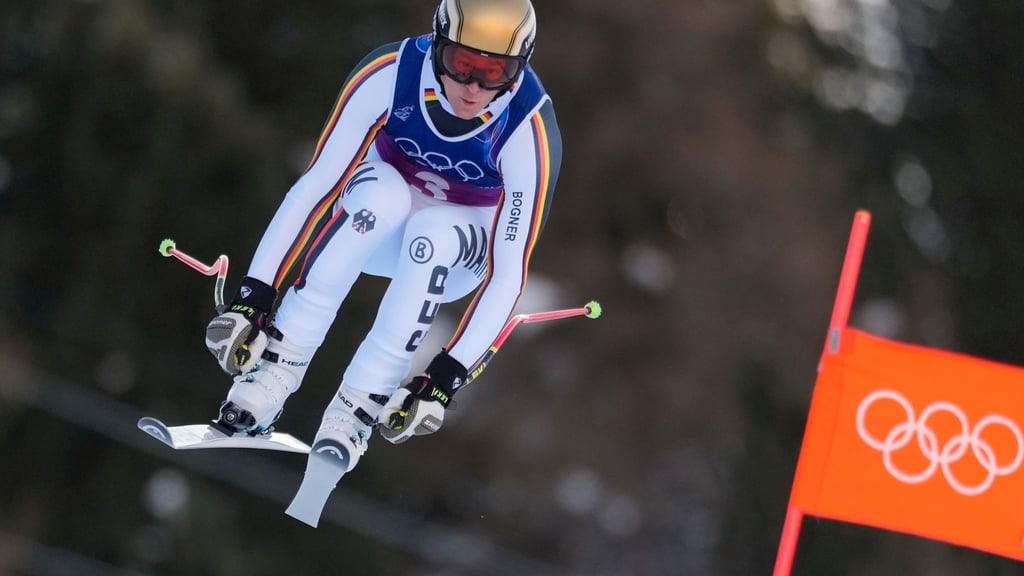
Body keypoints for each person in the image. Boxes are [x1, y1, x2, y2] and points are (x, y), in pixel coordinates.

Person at [203, 0, 561, 475]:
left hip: (456, 251)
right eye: (463, 64)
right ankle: (274, 367)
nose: (475, 87)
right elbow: (317, 186)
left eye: (497, 72)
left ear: (522, 65)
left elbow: (507, 275)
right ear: (437, 43)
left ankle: (356, 410)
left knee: (434, 232)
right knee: (383, 198)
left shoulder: (527, 127)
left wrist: (445, 378)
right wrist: (254, 295)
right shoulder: (390, 73)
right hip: (376, 220)